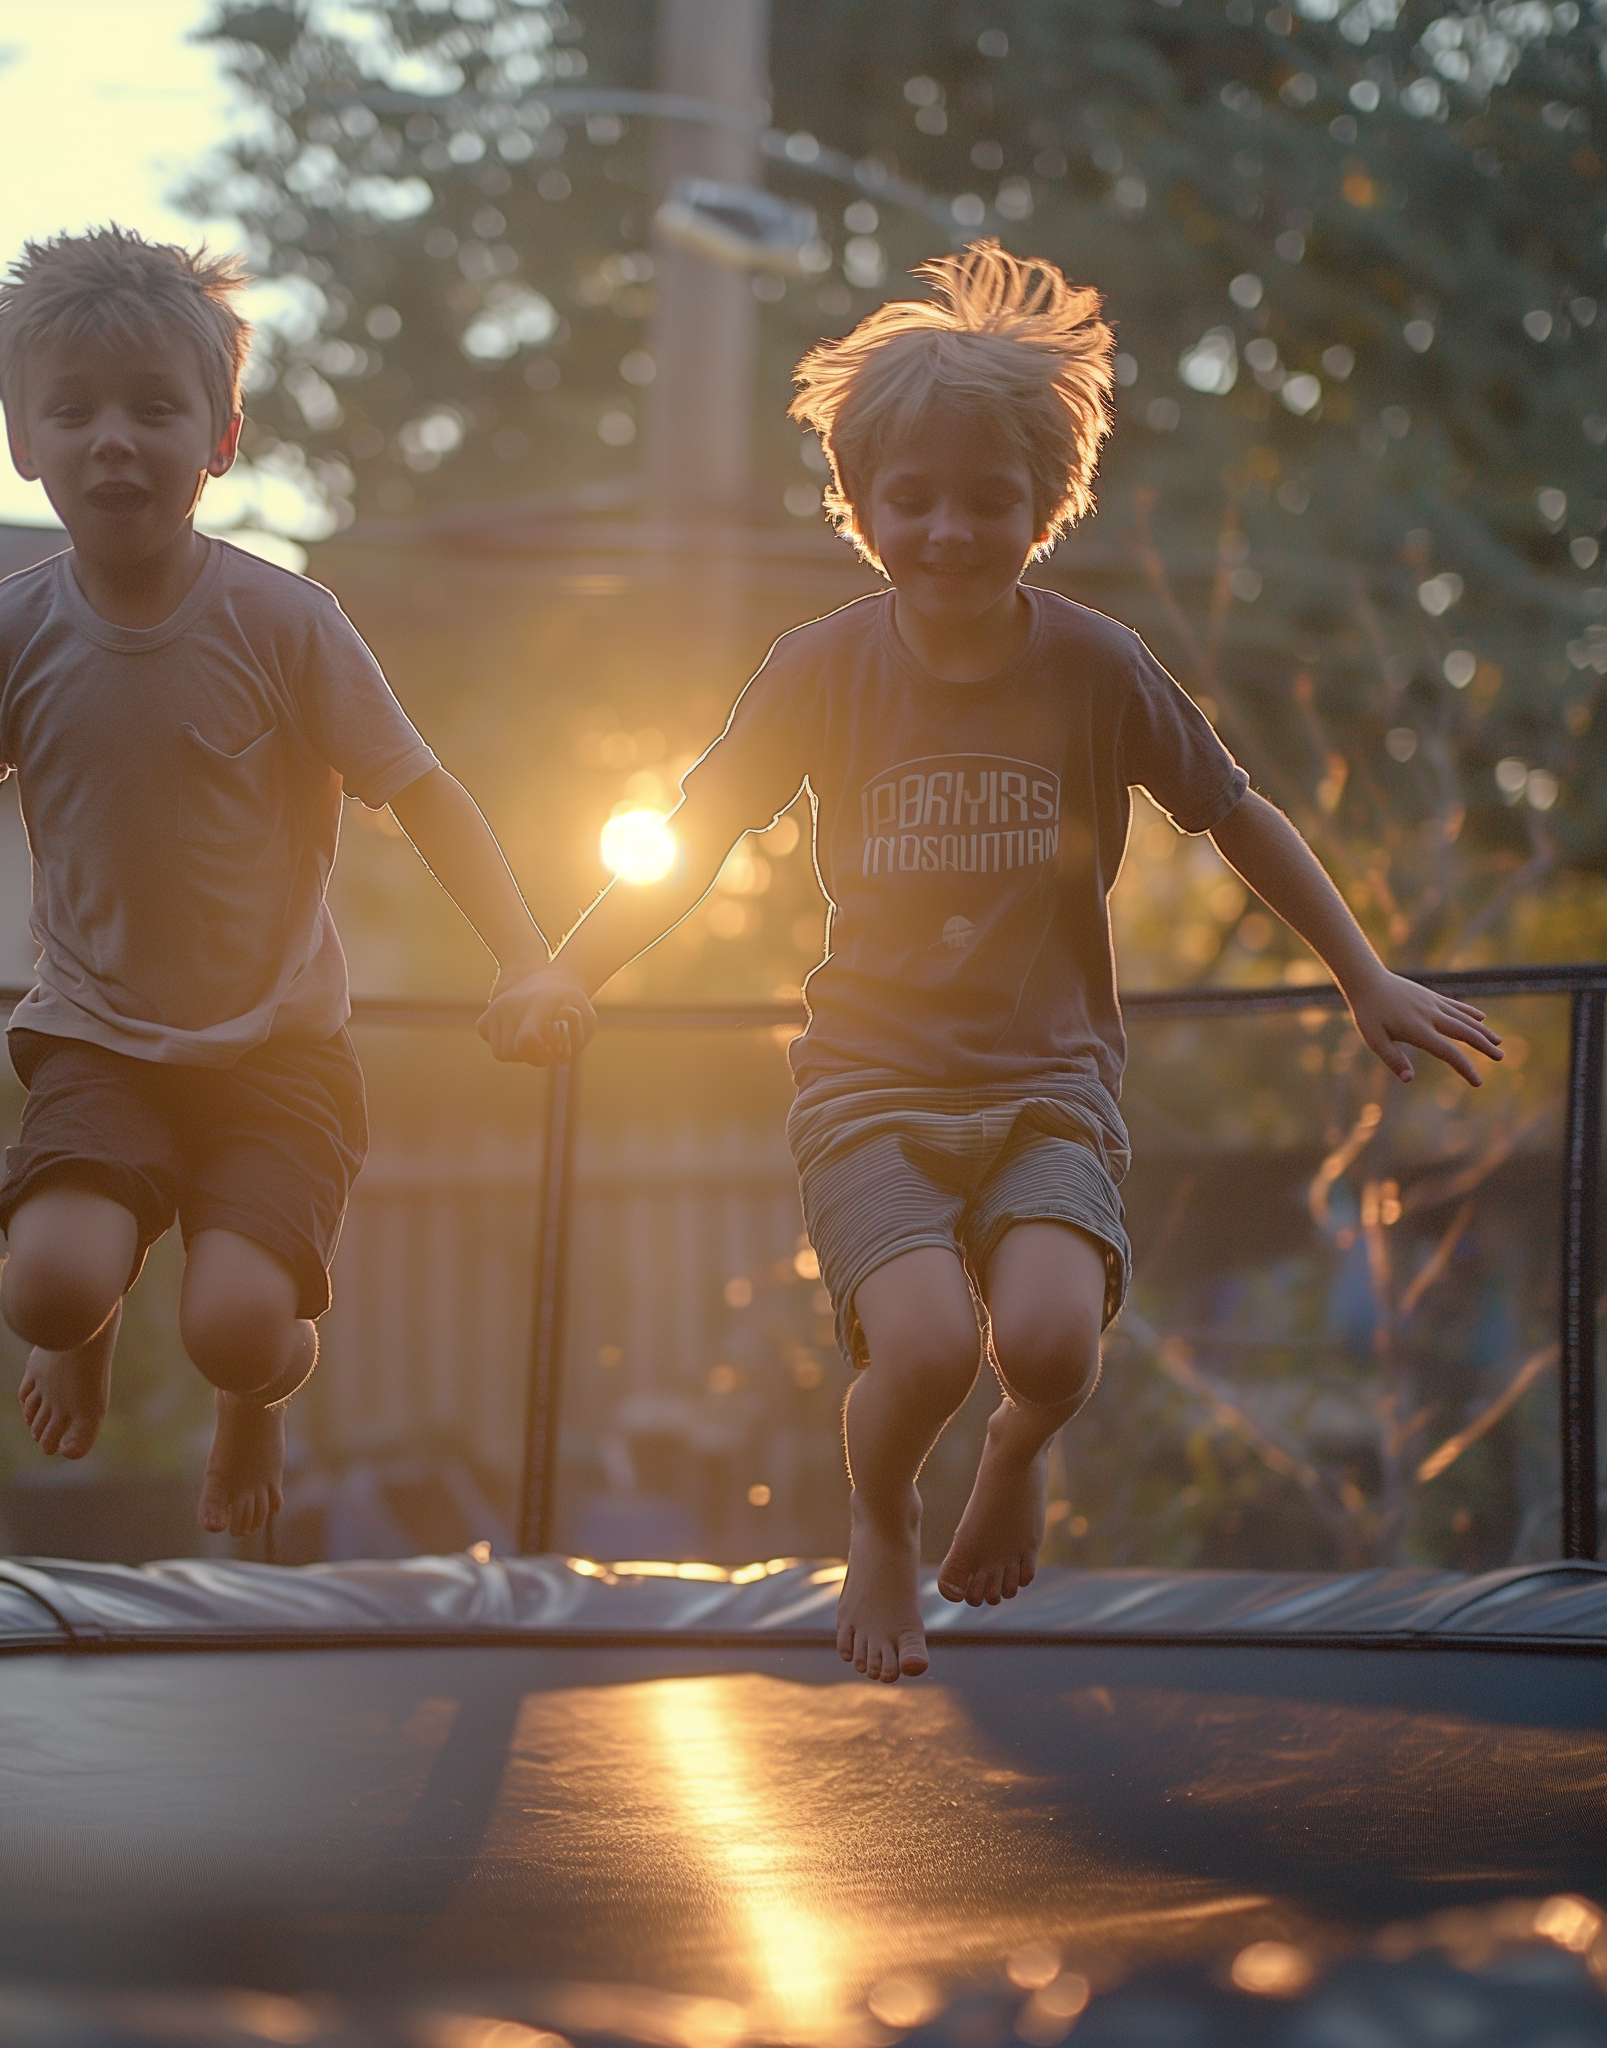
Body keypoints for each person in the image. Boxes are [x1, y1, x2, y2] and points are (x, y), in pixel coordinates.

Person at [481, 241, 1500, 1683]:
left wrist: (1364, 975)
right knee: (924, 1352)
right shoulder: (820, 668)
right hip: (871, 1087)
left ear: (1046, 503)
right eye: (913, 499)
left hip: (1046, 1082)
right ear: (857, 503)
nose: (950, 529)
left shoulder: (1095, 664)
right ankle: (883, 1510)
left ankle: (1017, 1455)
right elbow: (692, 833)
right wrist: (569, 967)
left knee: (1047, 1347)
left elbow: (1234, 811)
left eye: (988, 499)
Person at [0, 226, 564, 1540]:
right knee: (45, 1288)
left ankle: (256, 1402)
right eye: (71, 411)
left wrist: (525, 953)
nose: (113, 441)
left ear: (220, 437)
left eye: (154, 407)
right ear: (22, 440)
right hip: (99, 1039)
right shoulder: (6, 634)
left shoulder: (285, 622)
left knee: (242, 1327)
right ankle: (78, 1327)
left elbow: (423, 791)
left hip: (280, 1055)